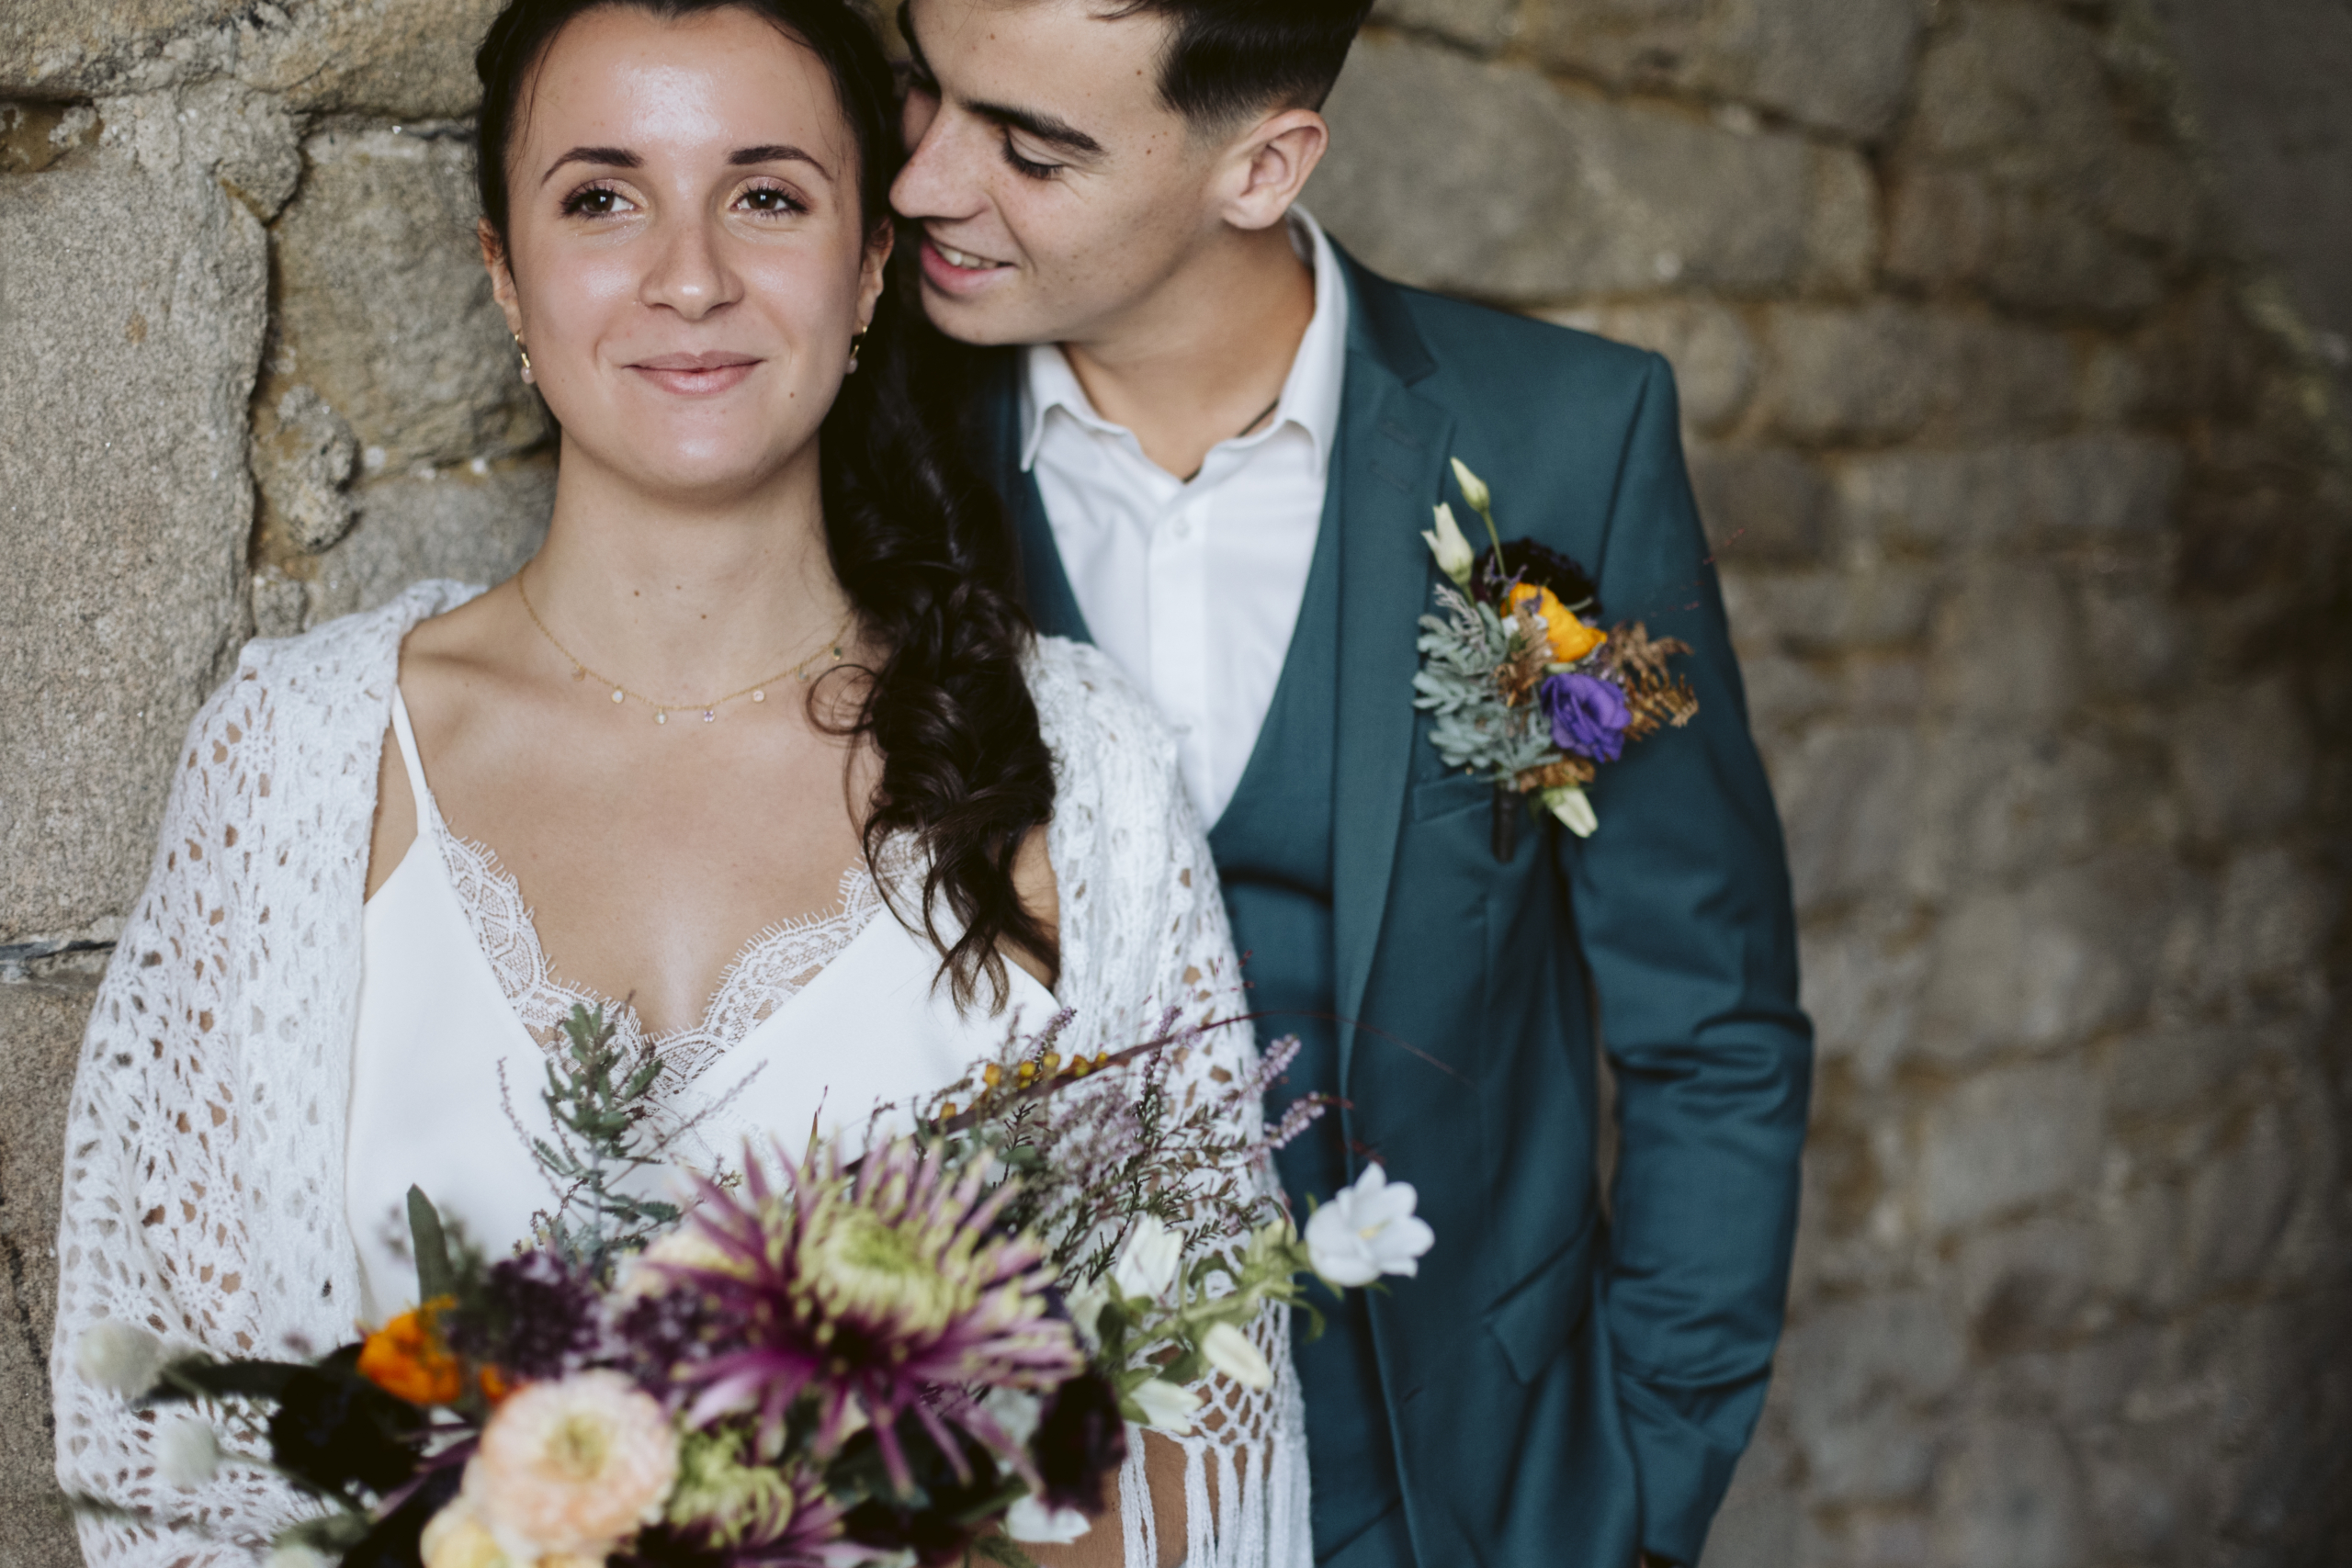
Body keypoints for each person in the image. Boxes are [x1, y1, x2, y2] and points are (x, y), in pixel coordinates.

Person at [49, 3, 1306, 1564]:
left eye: (767, 195)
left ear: (866, 274)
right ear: (503, 272)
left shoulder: (1084, 771)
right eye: (600, 197)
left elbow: (1190, 1439)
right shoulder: (297, 757)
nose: (689, 276)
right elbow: (179, 1445)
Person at [889, 0, 1815, 1563]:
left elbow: (1710, 1023)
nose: (920, 182)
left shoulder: (1560, 442)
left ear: (1263, 164)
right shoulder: (880, 436)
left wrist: (1643, 1491)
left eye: (1030, 149)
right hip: (1006, 1486)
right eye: (920, 93)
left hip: (1453, 1475)